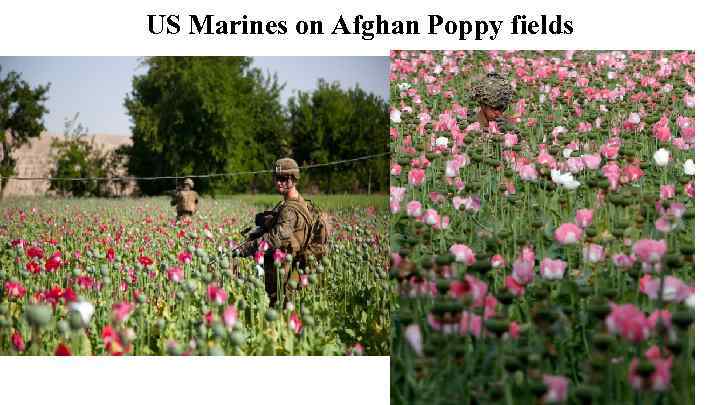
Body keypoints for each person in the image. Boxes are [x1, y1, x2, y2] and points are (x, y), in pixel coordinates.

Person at [234, 158, 313, 307]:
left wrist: (243, 249)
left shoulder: (290, 210)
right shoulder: (297, 202)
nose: (278, 182)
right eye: (276, 178)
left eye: (283, 178)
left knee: (279, 309)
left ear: (294, 179)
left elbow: (274, 239)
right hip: (287, 267)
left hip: (285, 272)